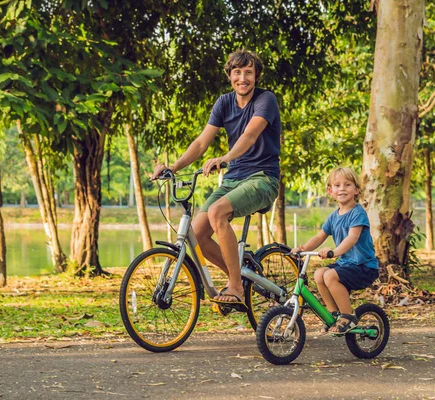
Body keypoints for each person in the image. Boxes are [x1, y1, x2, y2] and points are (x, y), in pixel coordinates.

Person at [150, 49, 280, 309]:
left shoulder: (266, 100)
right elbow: (200, 143)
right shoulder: (224, 103)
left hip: (262, 178)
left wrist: (226, 157)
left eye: (248, 73)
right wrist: (173, 167)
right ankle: (241, 275)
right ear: (230, 76)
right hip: (233, 180)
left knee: (217, 212)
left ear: (256, 76)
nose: (242, 78)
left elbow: (250, 135)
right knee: (196, 234)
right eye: (237, 72)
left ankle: (235, 286)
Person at [292, 167, 379, 335]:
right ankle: (333, 314)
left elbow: (351, 238)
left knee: (330, 275)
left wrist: (334, 251)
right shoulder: (333, 216)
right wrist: (302, 249)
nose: (342, 189)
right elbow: (319, 237)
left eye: (347, 184)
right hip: (347, 264)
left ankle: (348, 317)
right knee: (319, 274)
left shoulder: (357, 212)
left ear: (356, 190)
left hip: (364, 266)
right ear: (330, 191)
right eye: (337, 185)